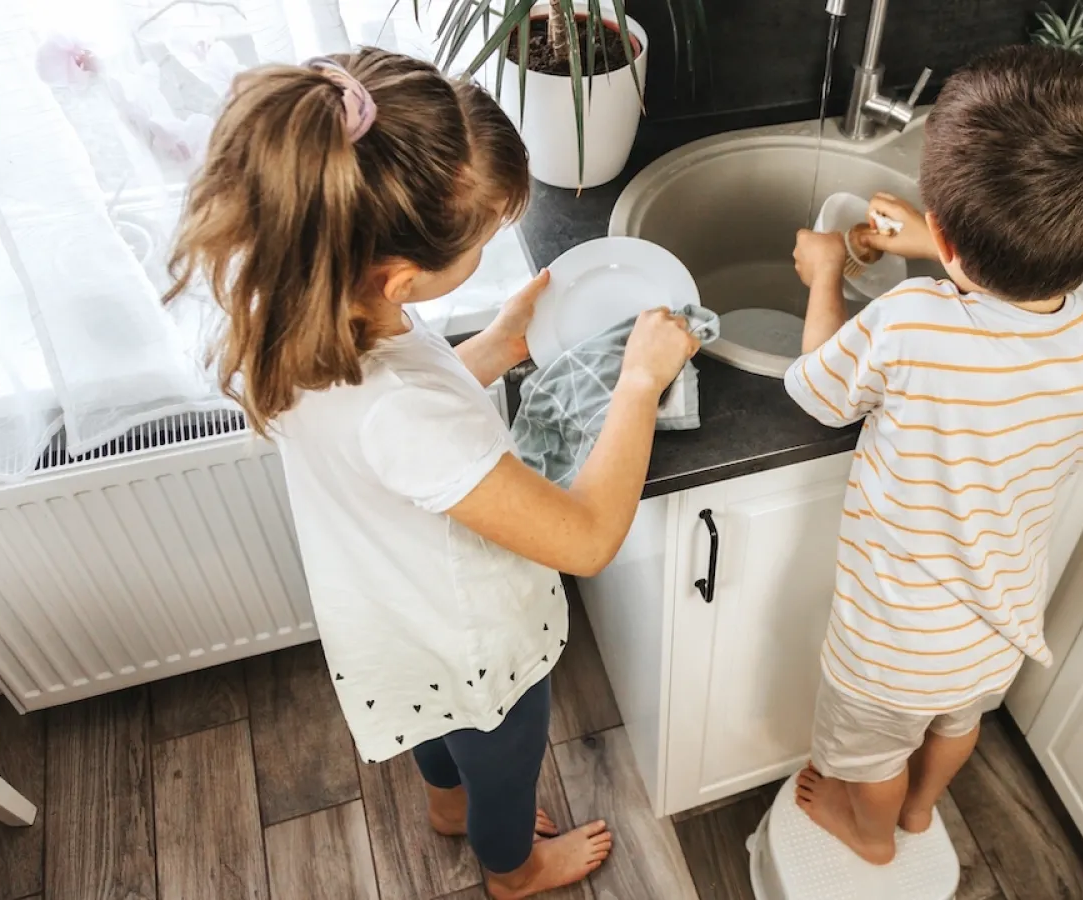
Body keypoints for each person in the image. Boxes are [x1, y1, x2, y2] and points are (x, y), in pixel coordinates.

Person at [164, 48, 700, 899]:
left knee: (442, 734)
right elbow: (589, 538)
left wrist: (498, 344)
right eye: (488, 237)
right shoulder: (403, 410)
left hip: (392, 613)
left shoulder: (301, 315)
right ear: (404, 275)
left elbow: (396, 439)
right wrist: (639, 381)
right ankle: (511, 870)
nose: (492, 245)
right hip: (473, 639)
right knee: (508, 763)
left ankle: (448, 809)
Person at [783, 45, 1083, 865]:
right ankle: (922, 813)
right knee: (958, 723)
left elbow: (816, 388)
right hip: (1004, 616)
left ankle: (872, 833)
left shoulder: (914, 321)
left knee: (866, 758)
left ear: (946, 239)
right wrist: (943, 246)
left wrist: (824, 275)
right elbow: (1020, 312)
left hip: (892, 641)